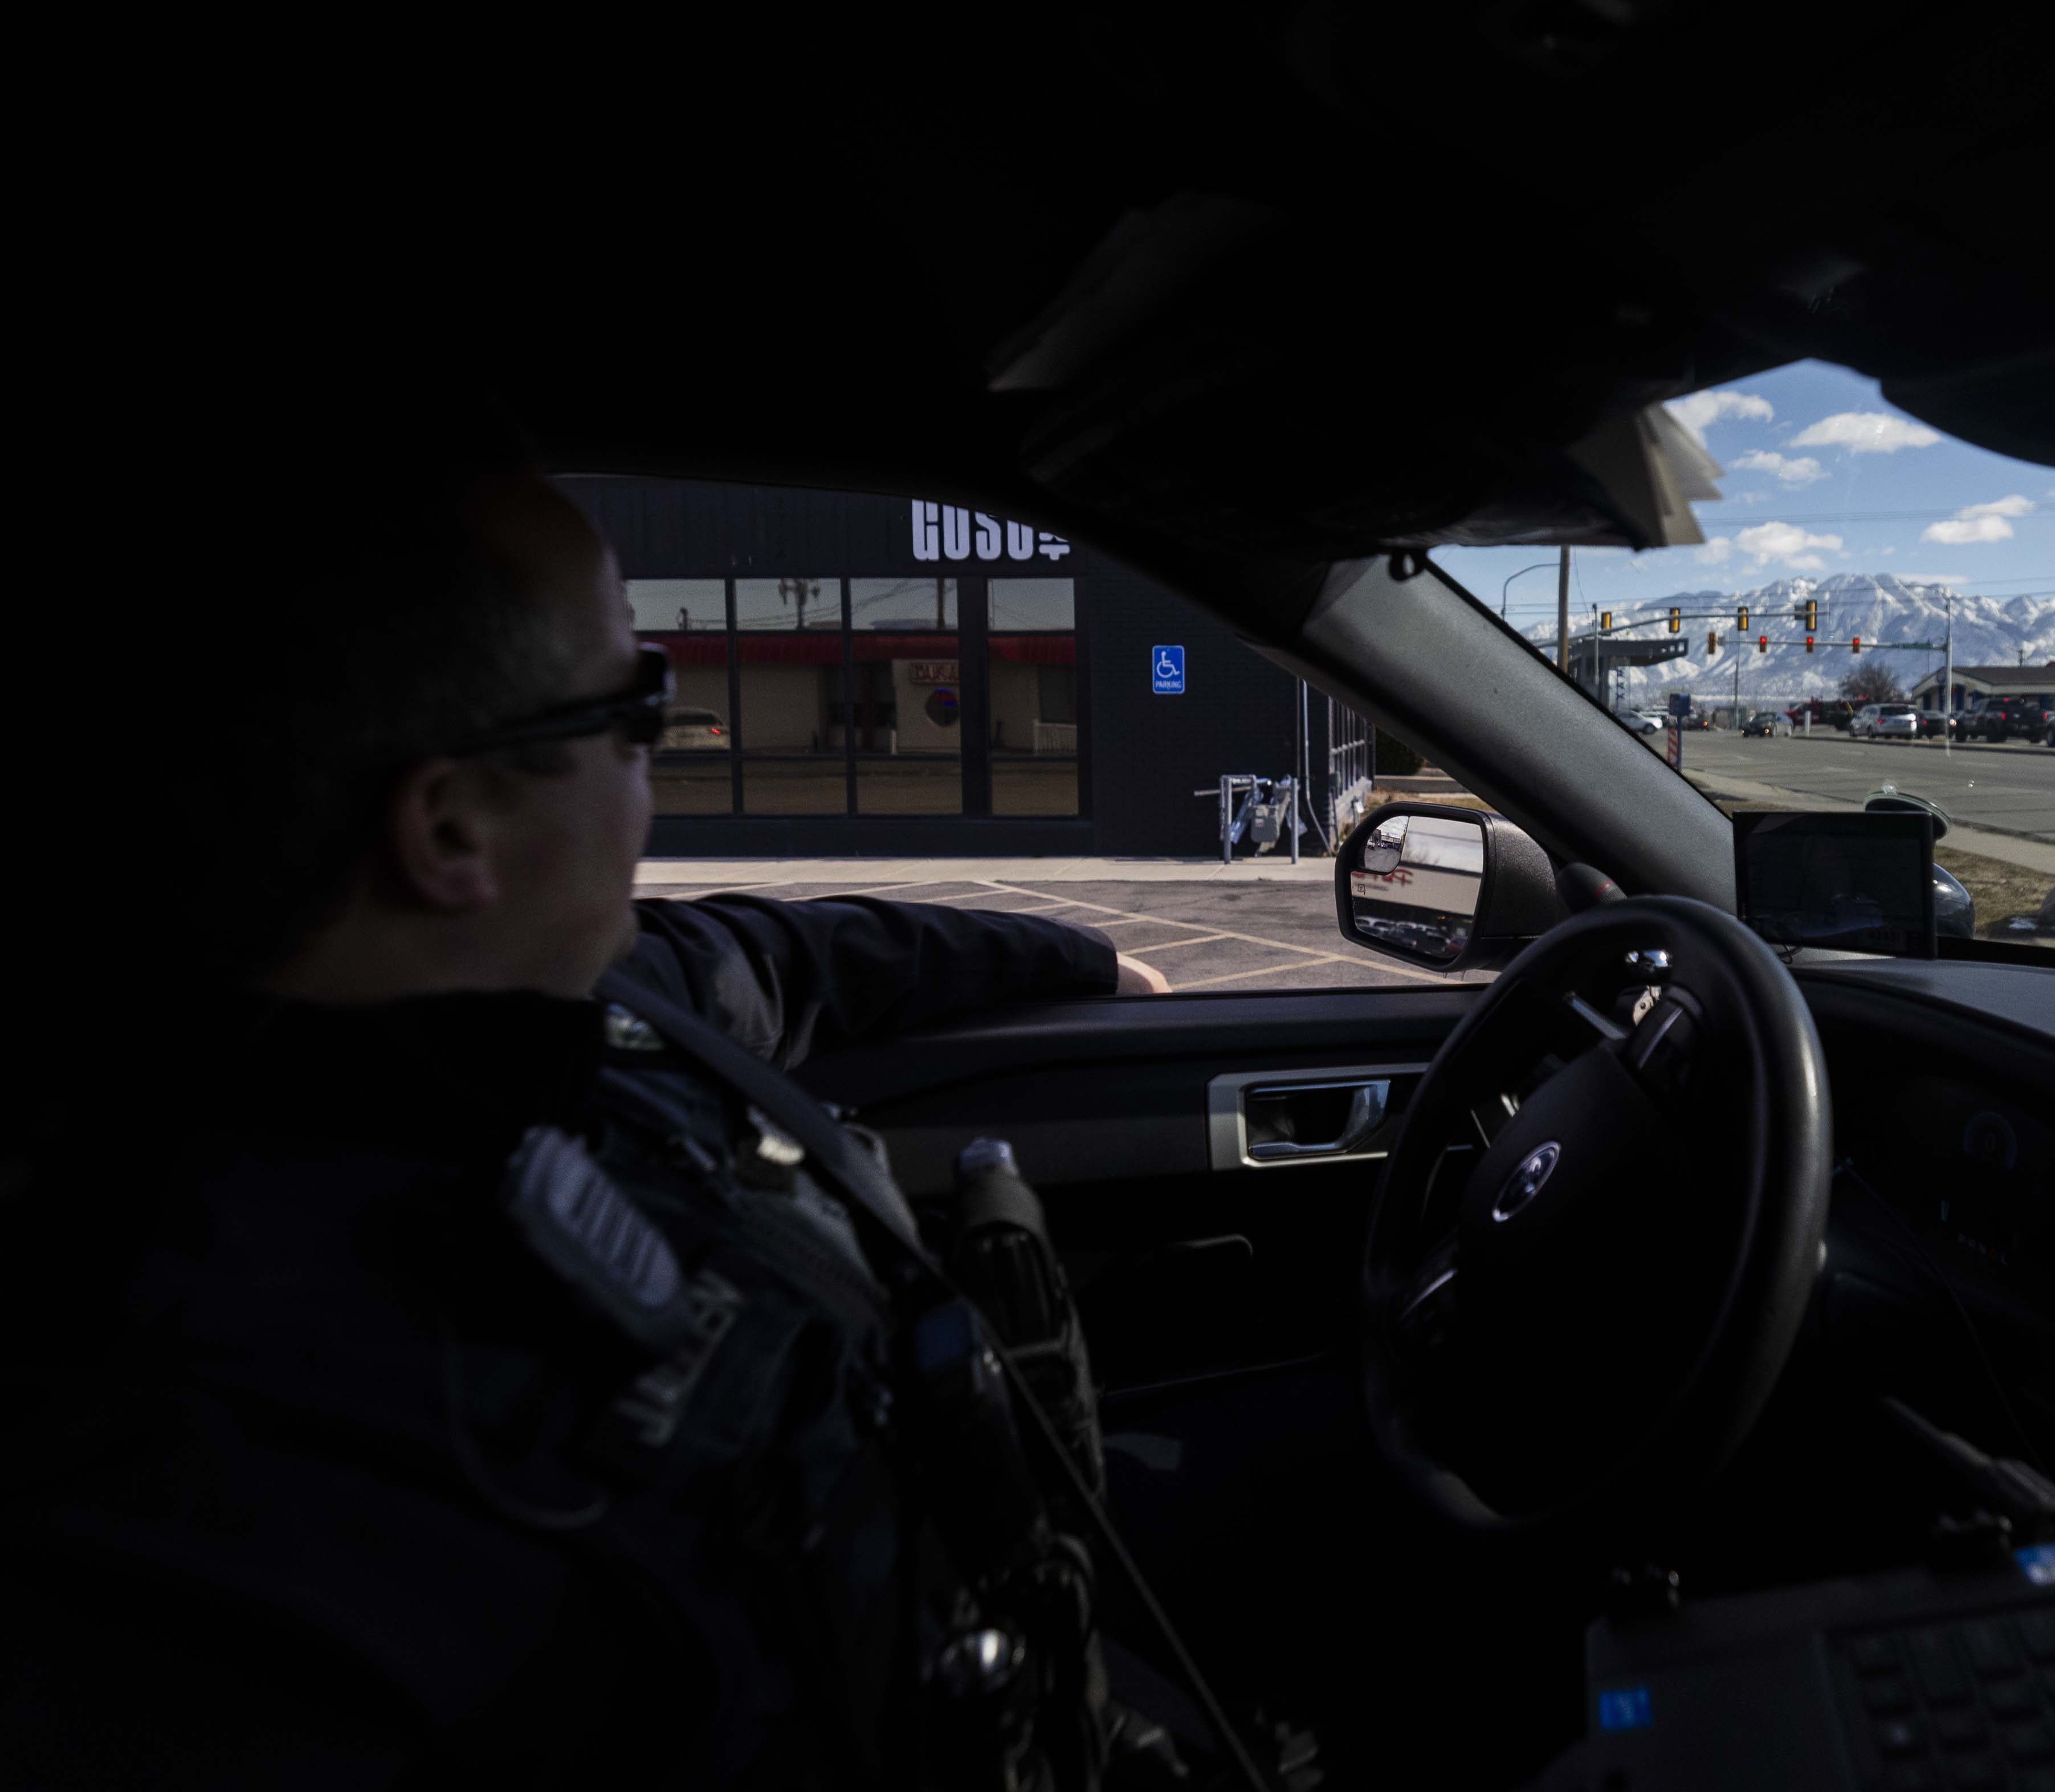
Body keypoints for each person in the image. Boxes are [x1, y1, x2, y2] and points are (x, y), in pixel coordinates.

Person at [0, 403, 1222, 1786]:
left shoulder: (593, 1002)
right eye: (635, 711)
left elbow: (793, 951)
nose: (660, 771)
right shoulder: (208, 1505)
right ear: (452, 829)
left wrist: (1087, 957)